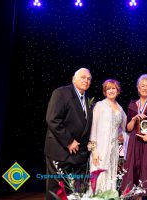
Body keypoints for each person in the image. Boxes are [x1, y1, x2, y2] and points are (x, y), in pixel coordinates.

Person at [44, 68, 93, 200]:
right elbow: (53, 119)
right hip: (59, 150)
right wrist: (69, 141)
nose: (86, 80)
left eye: (88, 79)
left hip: (79, 154)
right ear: (73, 79)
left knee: (74, 190)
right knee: (56, 189)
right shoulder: (61, 93)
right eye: (83, 77)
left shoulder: (88, 99)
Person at [87, 79, 127, 195]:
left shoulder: (120, 108)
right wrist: (94, 150)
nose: (111, 91)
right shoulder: (100, 105)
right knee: (98, 177)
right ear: (105, 91)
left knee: (111, 176)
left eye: (113, 88)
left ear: (118, 91)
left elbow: (126, 128)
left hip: (113, 149)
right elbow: (93, 129)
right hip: (100, 149)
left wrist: (122, 135)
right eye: (108, 88)